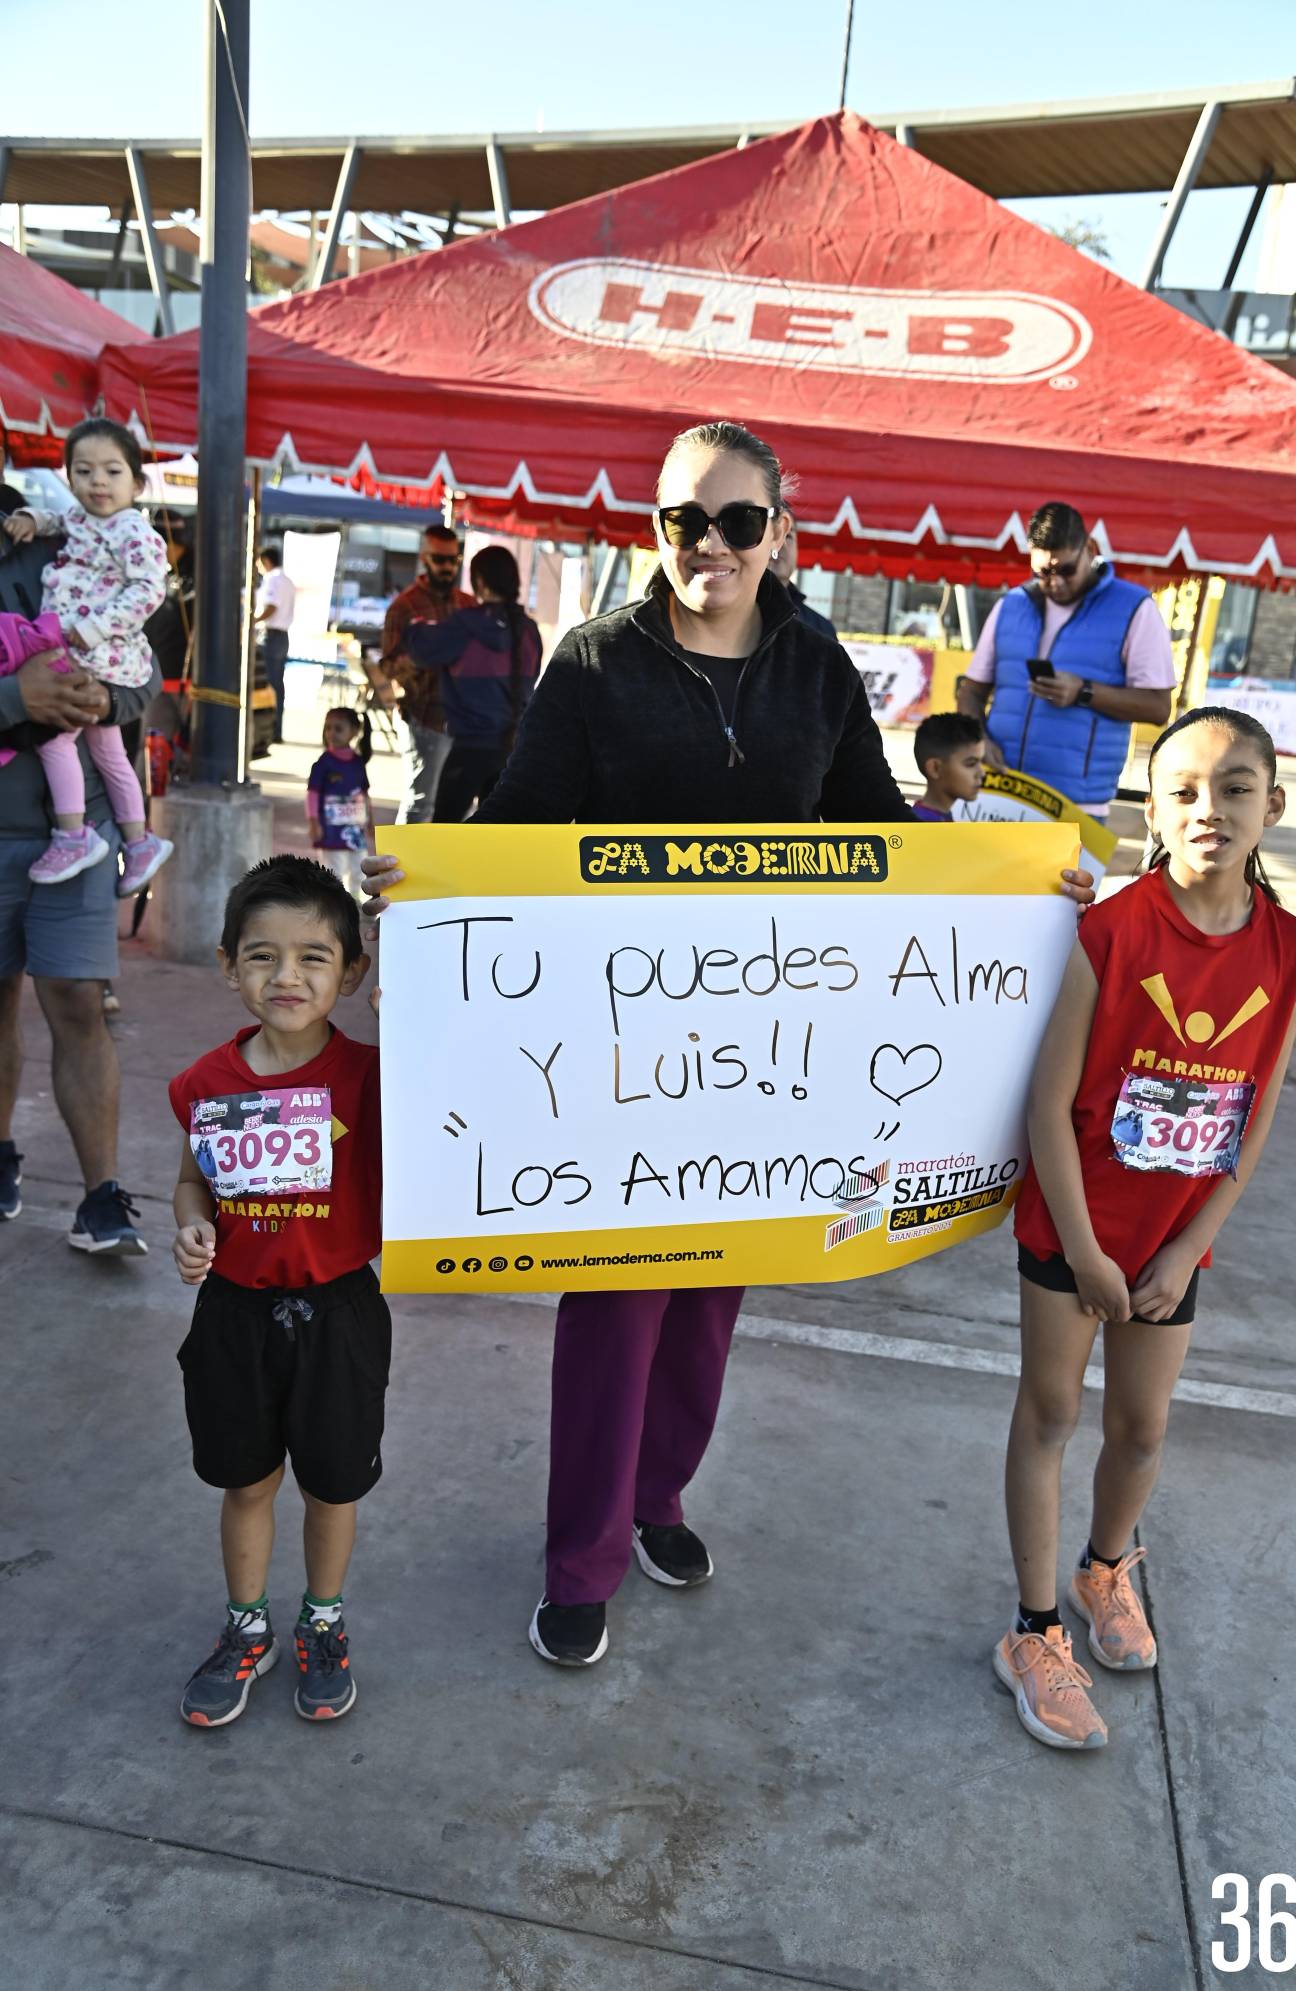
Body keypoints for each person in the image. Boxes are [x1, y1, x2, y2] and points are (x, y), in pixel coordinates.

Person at [363, 418, 1096, 1672]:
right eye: (681, 520)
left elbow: (879, 837)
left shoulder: (816, 663)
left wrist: (1022, 886)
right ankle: (580, 1556)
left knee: (712, 1295)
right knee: (616, 1302)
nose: (707, 543)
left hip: (774, 1052)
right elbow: (523, 827)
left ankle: (660, 1501)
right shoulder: (594, 660)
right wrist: (427, 881)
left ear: (779, 530)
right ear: (655, 531)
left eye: (735, 520)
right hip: (620, 1046)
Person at [994, 706, 1296, 1752]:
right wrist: (1085, 1252)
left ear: (1271, 805)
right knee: (1049, 1414)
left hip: (1174, 1239)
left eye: (1233, 788)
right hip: (1074, 1225)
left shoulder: (1290, 949)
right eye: (1182, 789)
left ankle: (1104, 1566)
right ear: (1152, 808)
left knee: (1139, 1428)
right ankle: (1034, 1628)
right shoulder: (1114, 928)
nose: (1208, 809)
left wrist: (1186, 1246)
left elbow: (1251, 1116)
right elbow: (1047, 1106)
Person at [168, 855, 386, 1728]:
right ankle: (245, 1625)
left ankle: (322, 1622)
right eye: (261, 956)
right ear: (227, 965)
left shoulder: (375, 1079)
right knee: (247, 1482)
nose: (286, 976)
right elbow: (190, 1181)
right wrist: (192, 1227)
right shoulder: (206, 1084)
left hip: (341, 1311)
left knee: (333, 1487)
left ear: (353, 973)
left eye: (313, 957)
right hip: (232, 1313)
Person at [0, 486, 156, 1251]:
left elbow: (145, 666)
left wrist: (112, 696)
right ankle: (1, 1158)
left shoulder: (64, 531)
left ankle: (101, 1197)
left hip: (80, 833)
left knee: (77, 1004)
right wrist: (11, 698)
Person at [2, 419, 174, 894]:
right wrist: (35, 519)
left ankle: (73, 834)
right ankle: (139, 841)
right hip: (91, 649)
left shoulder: (133, 531)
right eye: (84, 471)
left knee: (56, 741)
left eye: (112, 471)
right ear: (69, 477)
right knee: (109, 752)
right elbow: (59, 520)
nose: (98, 481)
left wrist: (91, 630)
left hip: (100, 652)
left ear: (137, 483)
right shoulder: (81, 519)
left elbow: (148, 590)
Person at [956, 502, 1174, 814]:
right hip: (998, 791)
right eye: (1042, 572)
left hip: (1077, 805)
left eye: (1066, 570)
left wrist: (1084, 692)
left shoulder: (1135, 608)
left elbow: (1157, 707)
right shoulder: (1011, 604)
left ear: (1090, 548)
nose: (1055, 582)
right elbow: (971, 692)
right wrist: (977, 741)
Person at [405, 544, 542, 823]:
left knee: (445, 831)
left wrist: (418, 623)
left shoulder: (465, 625)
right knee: (497, 838)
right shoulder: (529, 630)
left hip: (468, 750)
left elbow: (420, 650)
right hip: (512, 751)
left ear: (479, 581)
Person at [373, 523, 475, 824]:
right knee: (421, 802)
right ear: (424, 559)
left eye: (453, 560)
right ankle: (406, 870)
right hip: (423, 716)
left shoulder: (467, 604)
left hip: (464, 720)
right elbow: (388, 665)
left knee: (457, 804)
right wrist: (424, 654)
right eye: (439, 560)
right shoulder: (404, 606)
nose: (447, 567)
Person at [307, 707, 373, 889]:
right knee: (333, 871)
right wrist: (314, 822)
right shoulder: (323, 763)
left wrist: (370, 822)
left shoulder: (358, 763)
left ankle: (356, 905)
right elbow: (312, 794)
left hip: (355, 830)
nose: (331, 733)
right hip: (330, 830)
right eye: (328, 728)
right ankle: (335, 909)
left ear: (354, 731)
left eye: (338, 728)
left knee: (359, 868)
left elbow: (364, 795)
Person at [768, 508, 837, 638]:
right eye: (773, 533)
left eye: (788, 536)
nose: (780, 544)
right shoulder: (727, 616)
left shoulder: (820, 629)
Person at [253, 544, 296, 744]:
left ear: (265, 561)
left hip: (271, 636)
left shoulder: (272, 579)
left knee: (268, 685)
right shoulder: (286, 580)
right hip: (282, 637)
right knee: (277, 685)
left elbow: (272, 606)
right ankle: (276, 729)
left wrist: (253, 621)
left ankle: (271, 730)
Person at [911, 712, 986, 821]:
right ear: (935, 768)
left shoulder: (940, 817)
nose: (981, 773)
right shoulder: (922, 828)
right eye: (970, 764)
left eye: (981, 762)